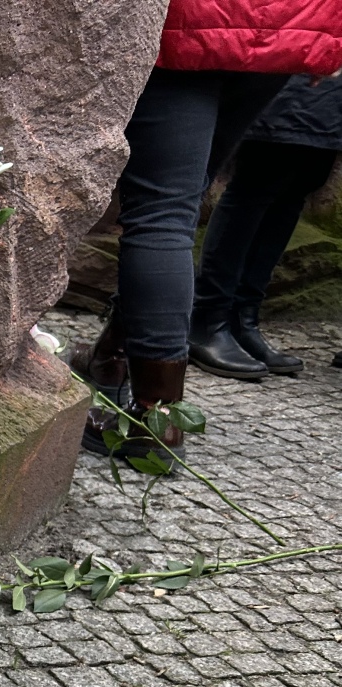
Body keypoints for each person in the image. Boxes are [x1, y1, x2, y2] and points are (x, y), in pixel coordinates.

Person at [73, 0, 342, 457]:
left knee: (162, 211)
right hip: (284, 24)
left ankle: (154, 422)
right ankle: (111, 359)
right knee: (179, 200)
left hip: (192, 21)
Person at [190, 75, 342, 376]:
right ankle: (208, 320)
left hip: (331, 87)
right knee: (260, 183)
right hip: (297, 67)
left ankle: (242, 319)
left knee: (297, 189)